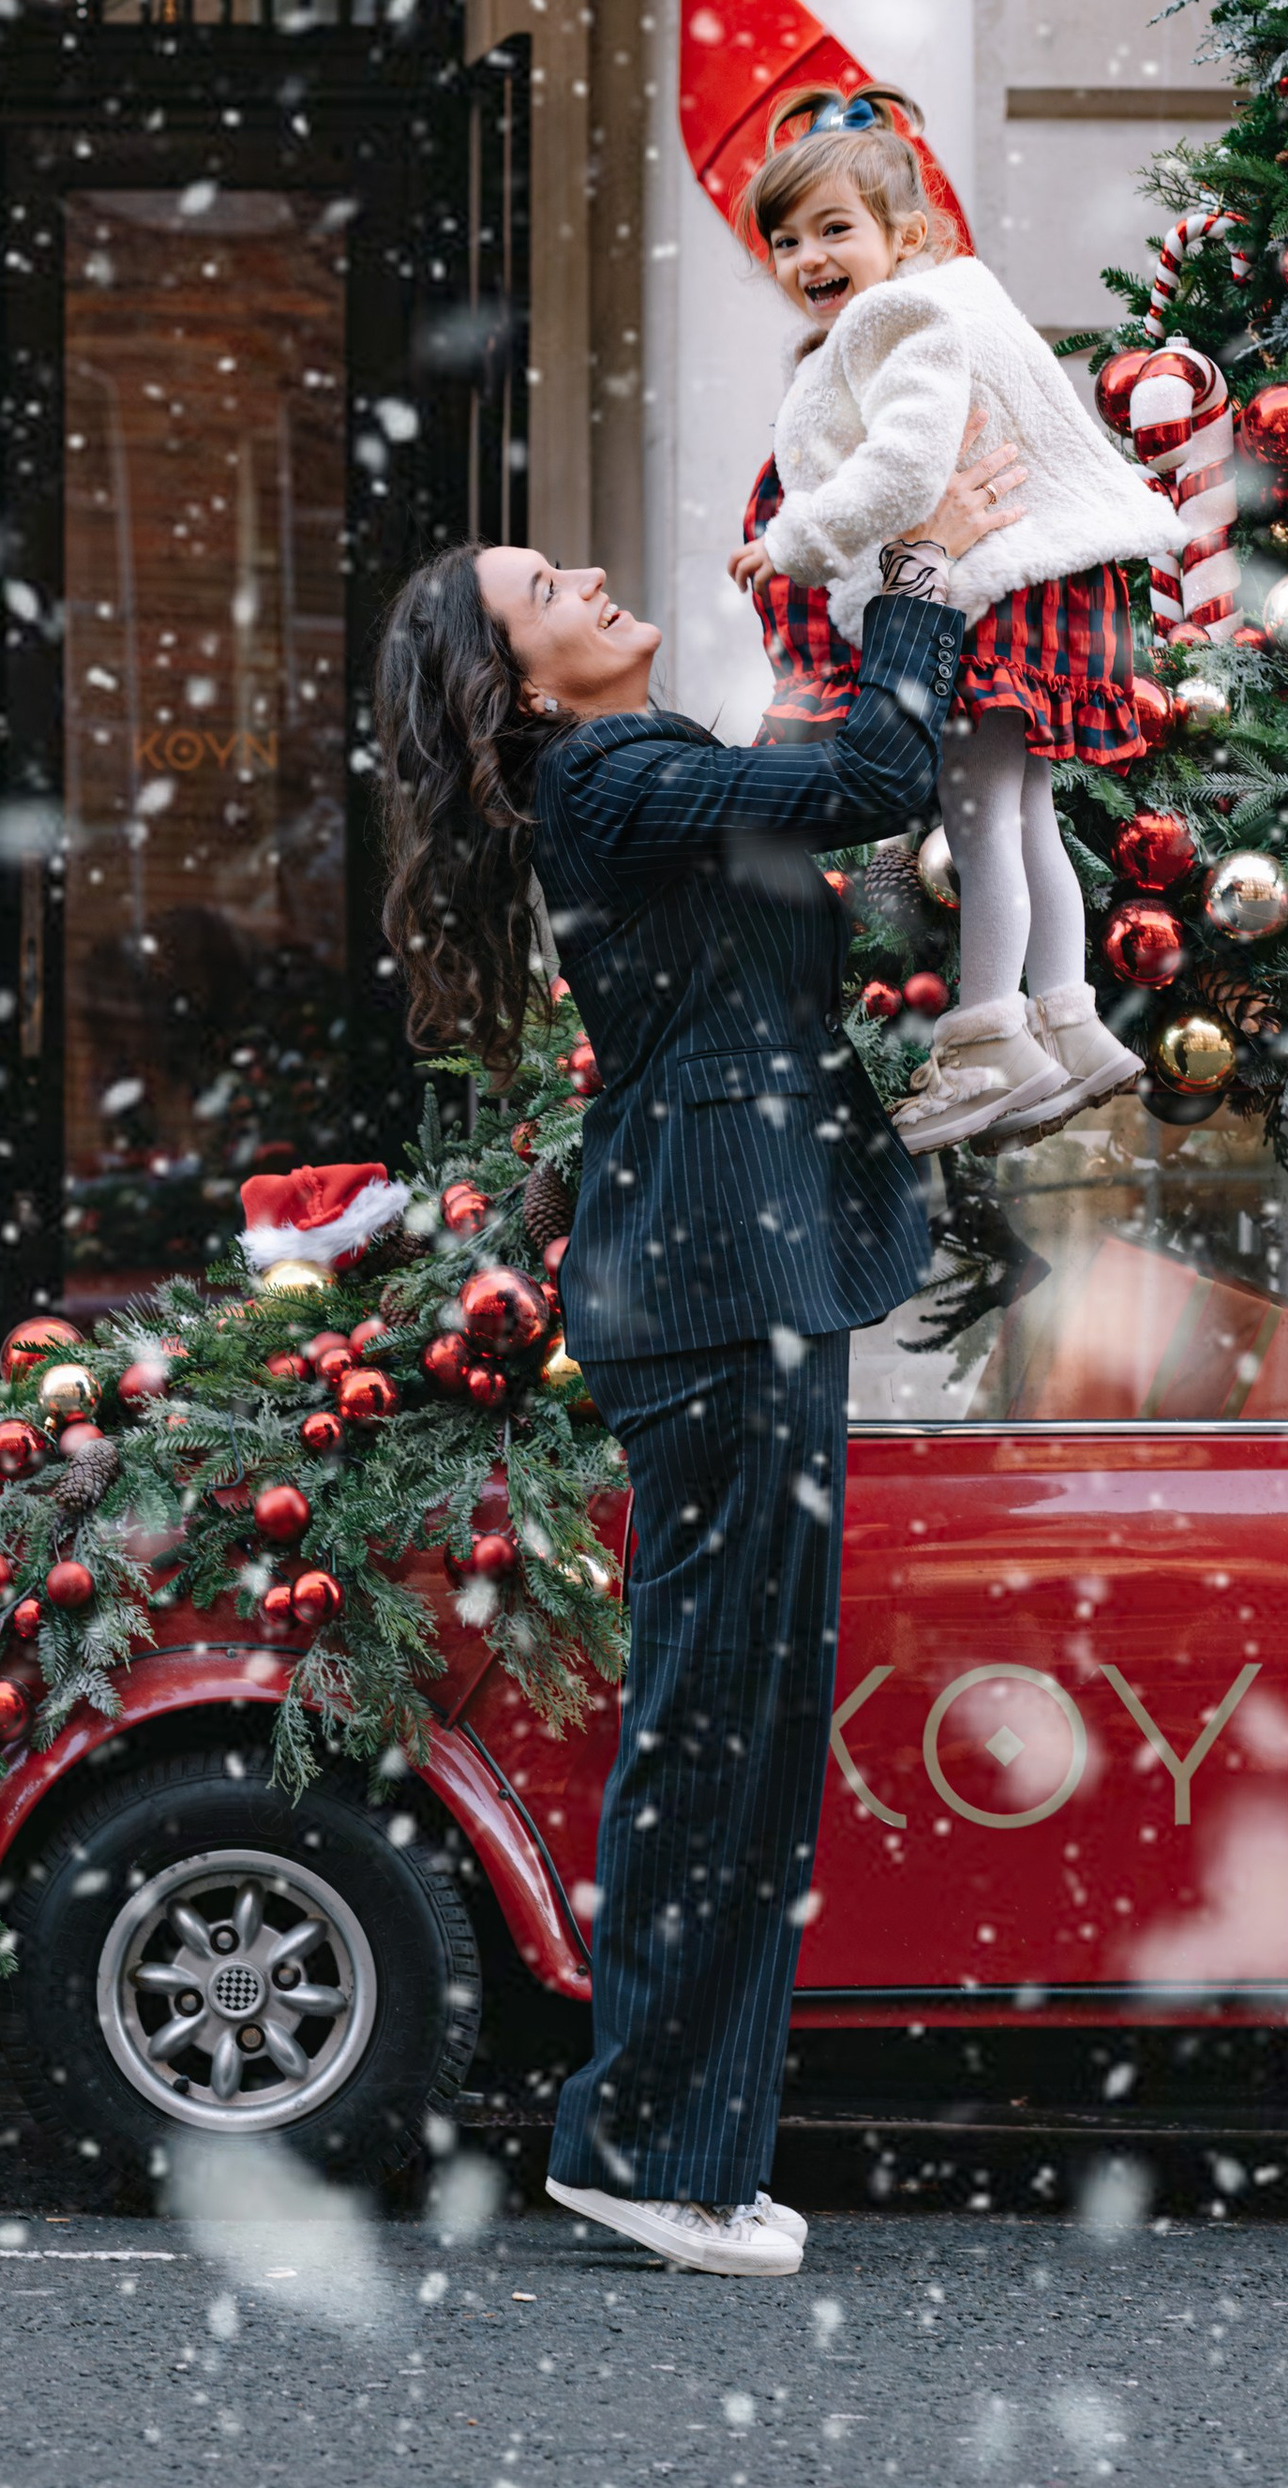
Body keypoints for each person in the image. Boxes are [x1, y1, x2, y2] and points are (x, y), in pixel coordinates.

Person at [371, 428, 1027, 2279]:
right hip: (719, 1286)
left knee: (733, 1723)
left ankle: (663, 2135)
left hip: (730, 1273)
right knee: (723, 1728)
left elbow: (822, 821)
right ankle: (656, 2149)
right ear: (518, 683)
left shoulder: (633, 778)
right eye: (539, 591)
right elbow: (876, 774)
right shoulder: (604, 782)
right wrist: (920, 581)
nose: (582, 577)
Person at [727, 84, 1181, 1150]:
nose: (807, 259)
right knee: (1025, 823)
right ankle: (1067, 1021)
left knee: (981, 828)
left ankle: (988, 1042)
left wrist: (791, 540)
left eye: (834, 230)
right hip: (1044, 593)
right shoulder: (962, 305)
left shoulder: (903, 317)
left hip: (984, 600)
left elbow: (904, 467)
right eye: (785, 241)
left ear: (908, 236)